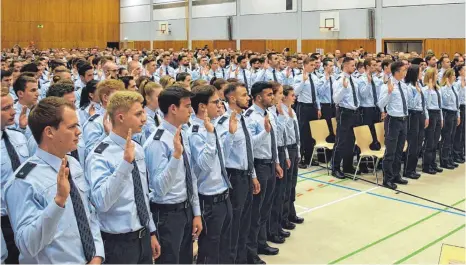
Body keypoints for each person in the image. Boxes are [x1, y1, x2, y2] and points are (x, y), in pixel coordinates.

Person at [5, 97, 104, 263]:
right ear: (49, 132)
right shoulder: (24, 181)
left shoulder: (73, 164)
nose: (78, 131)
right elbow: (27, 246)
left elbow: (88, 215)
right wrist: (58, 202)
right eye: (72, 127)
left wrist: (97, 254)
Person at [85, 91, 161, 264]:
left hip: (142, 236)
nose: (144, 118)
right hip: (117, 242)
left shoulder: (138, 148)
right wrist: (125, 164)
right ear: (120, 117)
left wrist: (151, 231)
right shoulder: (100, 155)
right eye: (138, 114)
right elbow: (101, 202)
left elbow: (141, 195)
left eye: (143, 112)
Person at [143, 86, 202, 264]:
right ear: (173, 108)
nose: (191, 110)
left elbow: (190, 175)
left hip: (185, 209)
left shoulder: (181, 133)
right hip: (167, 214)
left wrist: (196, 212)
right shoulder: (158, 141)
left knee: (186, 260)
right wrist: (176, 156)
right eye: (187, 106)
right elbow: (159, 189)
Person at [187, 85, 233, 264]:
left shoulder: (212, 125)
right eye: (215, 102)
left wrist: (229, 136)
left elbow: (222, 159)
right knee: (209, 250)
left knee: (223, 245)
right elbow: (205, 165)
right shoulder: (196, 132)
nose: (220, 105)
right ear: (202, 106)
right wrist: (210, 136)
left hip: (223, 191)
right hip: (208, 199)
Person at [216, 82, 260, 264]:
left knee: (245, 224)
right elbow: (222, 157)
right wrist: (231, 135)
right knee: (233, 226)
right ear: (232, 98)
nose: (248, 98)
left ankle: (242, 258)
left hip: (246, 175)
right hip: (233, 177)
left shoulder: (244, 119)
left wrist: (253, 174)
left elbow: (247, 150)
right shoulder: (223, 123)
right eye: (243, 95)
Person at [245, 81, 284, 264]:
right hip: (258, 165)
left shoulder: (268, 113)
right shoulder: (250, 116)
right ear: (259, 97)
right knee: (255, 212)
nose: (272, 97)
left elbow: (273, 142)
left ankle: (261, 243)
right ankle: (250, 253)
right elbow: (249, 146)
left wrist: (276, 162)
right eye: (269, 94)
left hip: (269, 163)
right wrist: (265, 132)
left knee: (265, 209)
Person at [1, 86, 30, 264]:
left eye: (12, 106)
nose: (13, 112)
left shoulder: (18, 137)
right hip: (4, 221)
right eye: (5, 109)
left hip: (26, 212)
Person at [378, 61, 411, 189]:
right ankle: (388, 179)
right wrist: (389, 92)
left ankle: (397, 175)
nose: (405, 72)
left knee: (399, 150)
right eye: (404, 70)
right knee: (390, 151)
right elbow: (380, 104)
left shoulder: (403, 85)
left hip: (403, 119)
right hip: (393, 120)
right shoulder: (386, 86)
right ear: (396, 72)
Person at [267, 82, 291, 244]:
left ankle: (276, 227)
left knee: (281, 192)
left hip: (282, 151)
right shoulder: (268, 113)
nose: (281, 96)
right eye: (279, 93)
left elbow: (282, 137)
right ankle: (271, 231)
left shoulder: (277, 110)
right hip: (273, 154)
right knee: (273, 197)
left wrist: (286, 155)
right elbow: (273, 138)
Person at [331, 57, 362, 179]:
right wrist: (344, 88)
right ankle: (335, 167)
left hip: (355, 112)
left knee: (351, 141)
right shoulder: (339, 80)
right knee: (341, 141)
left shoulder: (354, 80)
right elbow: (336, 100)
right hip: (345, 112)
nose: (354, 68)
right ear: (345, 66)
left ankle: (348, 166)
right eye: (352, 65)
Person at [281, 85, 304, 229]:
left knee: (293, 184)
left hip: (294, 147)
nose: (294, 97)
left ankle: (291, 212)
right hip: (287, 148)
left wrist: (299, 150)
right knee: (286, 184)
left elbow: (296, 133)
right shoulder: (280, 112)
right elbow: (283, 135)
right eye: (292, 95)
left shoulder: (292, 111)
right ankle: (283, 217)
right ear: (284, 97)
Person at [293, 57, 322, 168]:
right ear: (304, 65)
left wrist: (318, 108)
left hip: (313, 107)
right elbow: (295, 92)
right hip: (303, 107)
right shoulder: (298, 77)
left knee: (312, 134)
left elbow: (316, 95)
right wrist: (303, 81)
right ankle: (301, 159)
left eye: (314, 64)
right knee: (303, 134)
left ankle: (309, 158)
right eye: (311, 64)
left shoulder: (314, 77)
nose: (313, 66)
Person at [403, 65, 428, 179]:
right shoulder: (409, 87)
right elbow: (411, 104)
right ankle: (408, 170)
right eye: (420, 72)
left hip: (420, 115)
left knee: (419, 142)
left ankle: (412, 168)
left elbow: (424, 103)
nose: (422, 73)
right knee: (412, 144)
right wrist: (418, 93)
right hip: (412, 115)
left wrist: (426, 116)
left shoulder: (419, 85)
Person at [422, 68, 443, 174]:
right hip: (430, 113)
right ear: (431, 76)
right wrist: (429, 89)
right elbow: (427, 104)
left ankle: (433, 163)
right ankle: (426, 165)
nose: (438, 76)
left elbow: (441, 105)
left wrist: (442, 118)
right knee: (429, 141)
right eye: (436, 74)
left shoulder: (438, 88)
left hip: (438, 113)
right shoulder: (426, 89)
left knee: (435, 141)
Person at [439, 69, 460, 169]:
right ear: (447, 77)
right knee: (446, 137)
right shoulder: (443, 88)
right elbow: (446, 102)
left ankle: (450, 158)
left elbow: (457, 103)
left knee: (452, 137)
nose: (455, 77)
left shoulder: (454, 88)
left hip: (454, 113)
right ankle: (444, 159)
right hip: (447, 113)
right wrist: (447, 87)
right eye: (453, 75)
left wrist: (458, 115)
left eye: (455, 75)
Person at [317, 58, 337, 143]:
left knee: (334, 129)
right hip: (325, 106)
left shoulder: (334, 78)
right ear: (325, 66)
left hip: (334, 106)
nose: (332, 68)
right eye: (330, 66)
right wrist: (326, 81)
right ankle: (326, 153)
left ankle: (333, 152)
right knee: (327, 129)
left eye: (333, 66)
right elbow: (320, 93)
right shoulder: (320, 78)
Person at [452, 65, 465, 163]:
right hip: (459, 107)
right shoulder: (457, 83)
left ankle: (461, 152)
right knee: (459, 131)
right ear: (460, 72)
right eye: (464, 69)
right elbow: (458, 97)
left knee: (463, 131)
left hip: (464, 106)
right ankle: (456, 153)